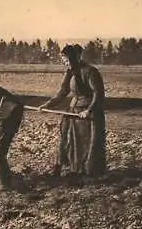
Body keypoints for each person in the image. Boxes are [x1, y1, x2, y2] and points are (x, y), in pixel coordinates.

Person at [37, 44, 106, 178]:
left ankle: (87, 172)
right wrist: (47, 105)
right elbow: (62, 92)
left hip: (89, 113)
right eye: (64, 62)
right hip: (73, 111)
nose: (67, 64)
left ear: (75, 58)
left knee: (85, 143)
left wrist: (88, 110)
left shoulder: (90, 71)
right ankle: (67, 168)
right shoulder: (69, 72)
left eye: (68, 61)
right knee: (66, 139)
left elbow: (98, 93)